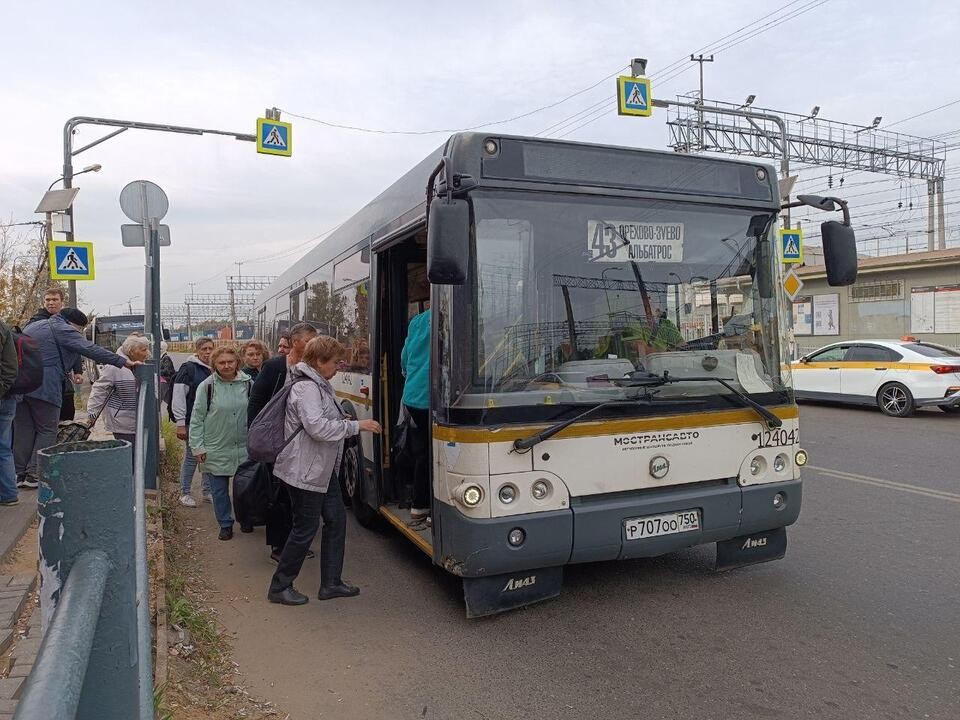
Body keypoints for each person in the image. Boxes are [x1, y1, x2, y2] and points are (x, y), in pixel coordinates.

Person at [267, 336, 381, 606]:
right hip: (305, 471)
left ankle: (331, 583)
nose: (338, 368)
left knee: (336, 520)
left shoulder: (317, 384)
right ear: (319, 361)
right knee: (304, 528)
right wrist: (357, 426)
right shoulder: (307, 388)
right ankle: (280, 586)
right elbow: (316, 429)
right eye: (334, 363)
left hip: (319, 469)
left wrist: (340, 420)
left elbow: (318, 420)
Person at [14, 308, 138, 488]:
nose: (78, 333)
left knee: (23, 429)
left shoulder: (35, 326)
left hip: (20, 384)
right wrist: (123, 361)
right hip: (45, 385)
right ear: (74, 325)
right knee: (47, 429)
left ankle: (18, 474)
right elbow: (89, 349)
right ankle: (34, 473)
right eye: (80, 330)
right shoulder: (63, 329)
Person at [249, 323, 317, 561]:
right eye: (309, 340)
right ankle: (279, 547)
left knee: (296, 496)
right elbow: (256, 403)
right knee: (278, 495)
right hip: (275, 442)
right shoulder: (274, 367)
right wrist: (256, 439)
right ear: (295, 342)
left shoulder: (311, 368)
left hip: (300, 442)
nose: (313, 345)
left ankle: (294, 543)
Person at [189, 347, 251, 541]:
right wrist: (197, 446)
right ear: (214, 364)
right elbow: (197, 419)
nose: (226, 366)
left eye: (230, 362)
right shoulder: (207, 386)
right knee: (219, 491)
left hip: (244, 446)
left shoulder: (248, 384)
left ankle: (247, 518)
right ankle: (225, 524)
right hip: (215, 446)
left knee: (246, 488)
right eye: (221, 362)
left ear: (237, 363)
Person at [85, 335, 150, 464]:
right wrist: (92, 413)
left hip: (140, 418)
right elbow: (99, 389)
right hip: (122, 422)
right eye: (143, 350)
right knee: (130, 457)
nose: (147, 353)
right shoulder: (114, 367)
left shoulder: (144, 363)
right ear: (132, 352)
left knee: (140, 456)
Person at [24, 288, 84, 422]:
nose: (51, 303)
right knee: (48, 420)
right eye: (48, 300)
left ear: (62, 302)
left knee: (67, 415)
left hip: (63, 377)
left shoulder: (67, 319)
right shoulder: (36, 322)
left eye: (55, 299)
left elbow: (75, 345)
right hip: (43, 377)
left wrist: (78, 370)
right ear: (43, 302)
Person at [171, 338, 214, 507]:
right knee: (192, 456)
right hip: (191, 421)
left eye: (211, 348)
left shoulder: (213, 369)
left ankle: (207, 491)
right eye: (204, 348)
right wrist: (181, 423)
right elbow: (179, 395)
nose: (208, 352)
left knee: (209, 456)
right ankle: (185, 492)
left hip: (210, 422)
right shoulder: (188, 368)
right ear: (197, 350)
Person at [401, 297, 431, 525]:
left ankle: (418, 506)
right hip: (431, 397)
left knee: (422, 453)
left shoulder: (416, 322)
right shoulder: (446, 320)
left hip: (412, 396)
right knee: (438, 454)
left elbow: (405, 357)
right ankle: (435, 505)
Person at [0, 318, 20, 507]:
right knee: (4, 448)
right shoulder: (4, 327)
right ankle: (8, 494)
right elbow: (11, 368)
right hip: (8, 396)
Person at [159, 341, 175, 411]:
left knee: (161, 398)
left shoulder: (166, 358)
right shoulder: (163, 357)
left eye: (159, 348)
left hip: (165, 381)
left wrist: (157, 371)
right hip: (164, 381)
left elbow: (167, 370)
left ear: (162, 349)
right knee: (168, 398)